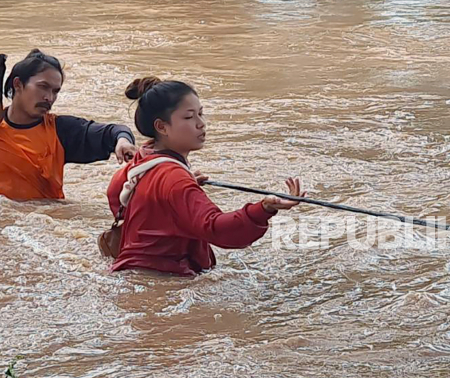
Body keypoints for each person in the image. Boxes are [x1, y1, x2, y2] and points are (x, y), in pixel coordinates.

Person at [106, 77, 305, 276]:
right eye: (189, 117)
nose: (201, 124)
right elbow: (216, 229)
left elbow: (115, 193)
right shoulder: (175, 178)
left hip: (132, 275)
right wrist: (264, 208)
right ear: (161, 127)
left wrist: (171, 196)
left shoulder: (142, 160)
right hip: (164, 282)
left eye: (201, 114)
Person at [0, 49, 138, 201]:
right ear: (18, 84)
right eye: (43, 87)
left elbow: (111, 132)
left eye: (55, 91)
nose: (49, 97)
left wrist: (122, 141)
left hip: (46, 227)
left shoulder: (61, 130)